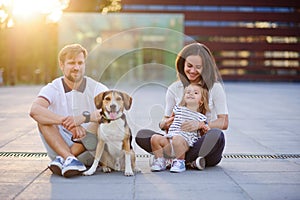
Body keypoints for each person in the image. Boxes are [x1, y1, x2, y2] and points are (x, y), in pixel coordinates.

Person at [136, 42, 229, 171]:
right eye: (189, 66)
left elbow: (224, 122)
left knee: (217, 135)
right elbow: (164, 121)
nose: (192, 71)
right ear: (182, 65)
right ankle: (189, 161)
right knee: (142, 135)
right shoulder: (175, 88)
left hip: (201, 144)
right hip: (176, 140)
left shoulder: (215, 88)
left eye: (198, 67)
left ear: (205, 67)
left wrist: (200, 125)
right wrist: (164, 124)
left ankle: (172, 159)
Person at [29, 44, 108, 178]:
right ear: (62, 65)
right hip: (59, 147)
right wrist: (68, 123)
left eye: (80, 63)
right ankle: (69, 158)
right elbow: (35, 110)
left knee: (100, 123)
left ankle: (67, 158)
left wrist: (82, 118)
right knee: (43, 120)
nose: (76, 67)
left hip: (88, 151)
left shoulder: (97, 88)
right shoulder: (53, 87)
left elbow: (111, 114)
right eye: (71, 63)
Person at [151, 83, 210, 173]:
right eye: (188, 92)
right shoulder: (177, 109)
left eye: (195, 93)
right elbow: (170, 122)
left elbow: (201, 134)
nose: (191, 94)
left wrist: (204, 129)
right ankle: (160, 161)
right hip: (170, 139)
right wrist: (166, 124)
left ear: (201, 101)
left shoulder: (200, 117)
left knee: (177, 139)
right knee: (154, 138)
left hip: (185, 143)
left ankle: (180, 162)